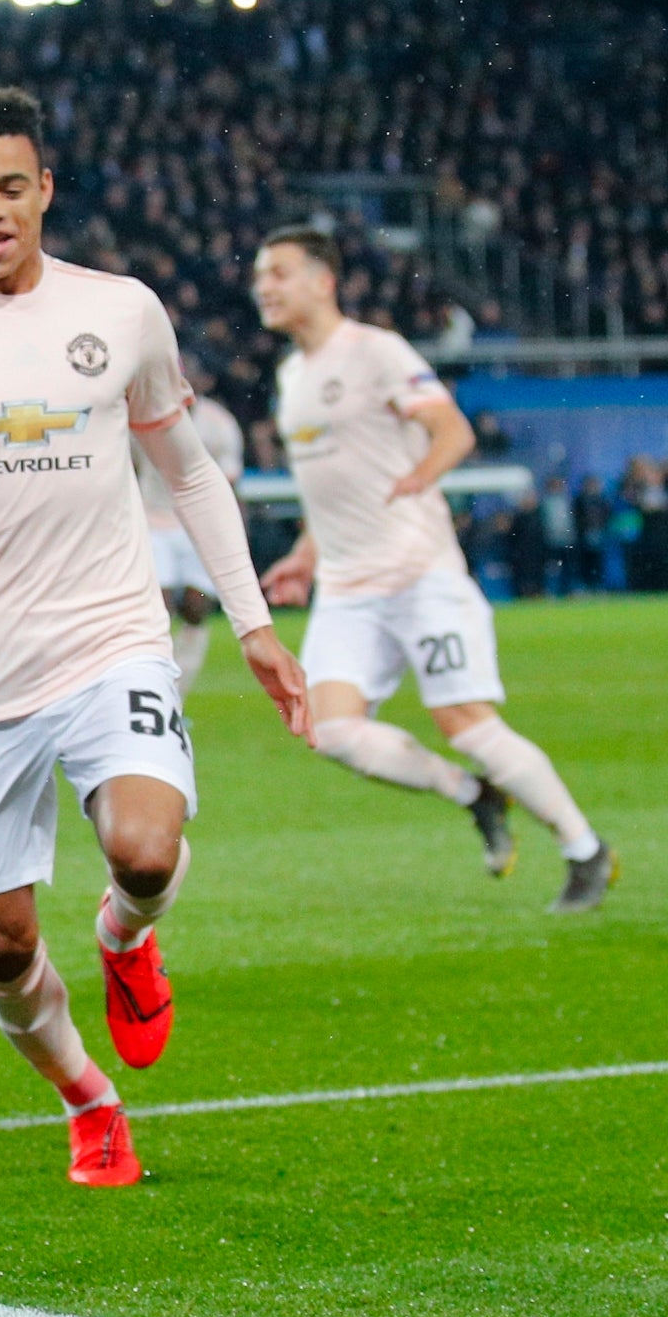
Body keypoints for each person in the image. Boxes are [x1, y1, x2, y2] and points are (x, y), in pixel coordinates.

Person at [0, 88, 309, 1187]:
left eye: (10, 186)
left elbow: (189, 469)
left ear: (44, 189)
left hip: (112, 638)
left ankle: (126, 938)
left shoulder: (124, 311)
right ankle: (89, 1099)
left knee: (145, 847)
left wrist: (253, 625)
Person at [252, 226, 616, 912]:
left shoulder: (375, 350)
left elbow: (455, 429)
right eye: (261, 275)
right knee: (331, 732)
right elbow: (326, 487)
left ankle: (584, 849)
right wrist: (305, 554)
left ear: (323, 282)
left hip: (419, 574)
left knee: (467, 722)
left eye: (279, 273)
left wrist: (422, 474)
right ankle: (472, 793)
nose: (263, 287)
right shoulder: (292, 375)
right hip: (348, 588)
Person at [131, 390, 246, 693]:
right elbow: (128, 466)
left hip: (199, 524)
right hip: (153, 520)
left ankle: (178, 695)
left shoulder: (219, 424)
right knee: (159, 609)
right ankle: (156, 691)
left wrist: (232, 537)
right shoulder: (138, 418)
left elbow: (230, 483)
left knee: (196, 608)